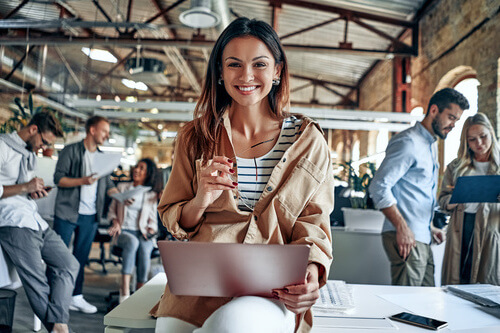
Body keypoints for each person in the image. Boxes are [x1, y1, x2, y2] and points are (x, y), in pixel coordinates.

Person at [151, 17, 334, 333]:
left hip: (274, 289)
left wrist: (313, 273)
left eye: (259, 64)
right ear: (220, 72)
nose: (246, 75)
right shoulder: (194, 137)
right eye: (234, 64)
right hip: (198, 289)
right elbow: (173, 218)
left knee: (230, 325)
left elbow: (315, 224)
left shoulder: (308, 141)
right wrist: (200, 200)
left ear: (277, 70)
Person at [369, 88, 469, 286]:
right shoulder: (408, 142)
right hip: (408, 235)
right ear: (434, 110)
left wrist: (429, 227)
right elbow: (379, 186)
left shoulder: (429, 144)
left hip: (421, 236)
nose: (453, 125)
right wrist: (402, 227)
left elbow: (415, 192)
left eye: (456, 120)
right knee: (408, 308)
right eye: (450, 117)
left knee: (425, 303)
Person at [0, 112, 79, 333]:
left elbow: (21, 189)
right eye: (44, 142)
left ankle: (58, 325)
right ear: (33, 130)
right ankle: (60, 330)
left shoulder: (30, 154)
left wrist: (31, 192)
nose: (45, 148)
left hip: (35, 220)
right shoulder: (3, 147)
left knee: (69, 264)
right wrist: (25, 187)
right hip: (13, 223)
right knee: (38, 284)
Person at [53, 116, 118, 314]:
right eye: (104, 131)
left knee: (80, 257)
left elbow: (108, 186)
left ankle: (76, 296)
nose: (107, 135)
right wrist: (83, 180)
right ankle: (54, 295)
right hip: (67, 212)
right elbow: (59, 179)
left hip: (90, 215)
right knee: (58, 255)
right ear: (92, 130)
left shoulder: (103, 157)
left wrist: (123, 196)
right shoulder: (71, 150)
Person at [438, 113, 500, 285]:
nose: (479, 143)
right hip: (462, 227)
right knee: (458, 279)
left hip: (491, 230)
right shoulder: (455, 167)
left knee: (487, 281)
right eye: (472, 139)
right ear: (466, 141)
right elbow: (442, 200)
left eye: (483, 137)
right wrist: (456, 198)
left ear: (491, 134)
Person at [108, 158, 158, 302]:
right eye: (137, 167)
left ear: (148, 174)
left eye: (142, 168)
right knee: (132, 242)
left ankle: (140, 291)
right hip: (123, 232)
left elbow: (153, 221)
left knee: (144, 246)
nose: (137, 170)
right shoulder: (122, 187)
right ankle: (124, 290)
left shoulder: (150, 194)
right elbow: (111, 211)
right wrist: (115, 221)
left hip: (142, 233)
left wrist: (150, 229)